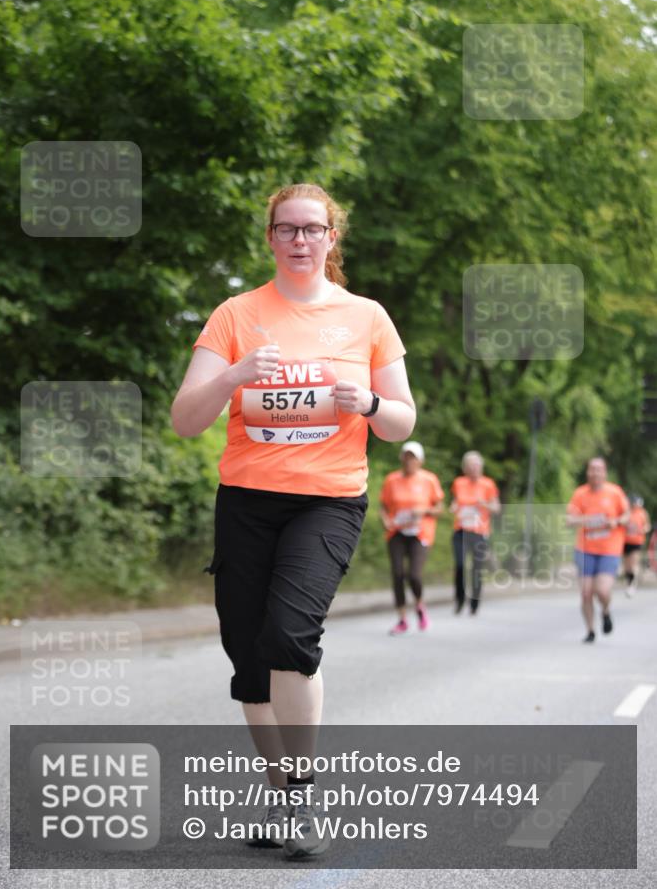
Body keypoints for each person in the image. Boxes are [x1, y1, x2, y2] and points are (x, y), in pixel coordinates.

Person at [171, 183, 415, 859]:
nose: (300, 240)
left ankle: (304, 797)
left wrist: (369, 402)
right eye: (287, 229)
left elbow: (401, 421)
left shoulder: (366, 317)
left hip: (327, 502)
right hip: (246, 501)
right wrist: (234, 376)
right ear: (271, 237)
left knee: (288, 635)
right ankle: (281, 793)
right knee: (249, 658)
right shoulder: (235, 314)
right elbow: (185, 419)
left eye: (312, 229)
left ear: (331, 237)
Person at [380, 441, 444, 635]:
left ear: (420, 461)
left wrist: (423, 510)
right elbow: (383, 506)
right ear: (401, 458)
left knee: (414, 575)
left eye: (413, 457)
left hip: (420, 532)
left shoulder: (429, 479)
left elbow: (440, 508)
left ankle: (419, 605)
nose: (409, 461)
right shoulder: (392, 480)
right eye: (406, 456)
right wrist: (385, 520)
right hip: (397, 532)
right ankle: (402, 620)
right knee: (398, 574)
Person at [565, 457, 630, 643]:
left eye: (599, 469)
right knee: (586, 592)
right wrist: (587, 520)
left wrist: (616, 521)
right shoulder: (580, 494)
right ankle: (590, 631)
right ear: (587, 472)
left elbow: (627, 515)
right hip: (584, 549)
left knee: (602, 590)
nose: (595, 473)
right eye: (592, 469)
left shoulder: (615, 492)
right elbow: (569, 520)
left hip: (609, 549)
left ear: (605, 473)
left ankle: (606, 611)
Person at [449, 451, 500, 615]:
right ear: (464, 468)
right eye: (470, 466)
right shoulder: (458, 483)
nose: (473, 469)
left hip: (479, 532)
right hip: (461, 530)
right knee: (460, 565)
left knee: (477, 568)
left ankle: (475, 602)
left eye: (476, 465)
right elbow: (455, 502)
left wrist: (484, 504)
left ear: (481, 467)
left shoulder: (488, 484)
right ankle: (460, 598)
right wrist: (453, 507)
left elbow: (496, 507)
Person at [622, 494, 650, 596]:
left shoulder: (642, 513)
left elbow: (647, 526)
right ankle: (629, 583)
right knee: (627, 566)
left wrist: (643, 530)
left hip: (637, 542)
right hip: (625, 542)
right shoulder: (626, 512)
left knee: (633, 564)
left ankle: (632, 585)